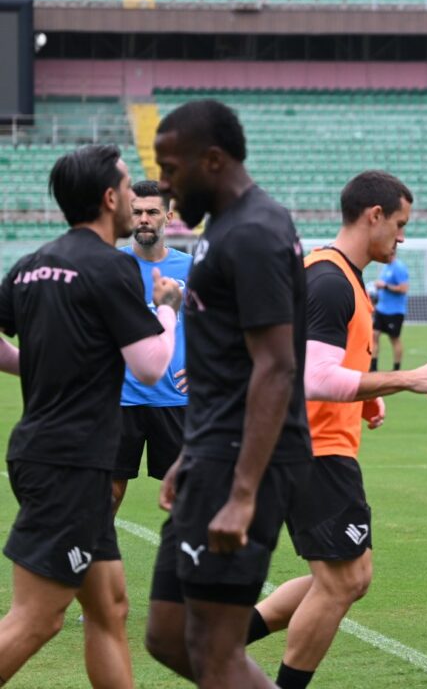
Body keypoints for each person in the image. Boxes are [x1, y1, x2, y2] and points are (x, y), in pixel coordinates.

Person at [243, 171, 427, 689]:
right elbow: (315, 378)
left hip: (312, 443)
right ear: (373, 215)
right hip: (314, 450)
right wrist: (405, 378)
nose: (401, 237)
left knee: (338, 578)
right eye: (399, 224)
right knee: (343, 581)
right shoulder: (330, 280)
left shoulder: (336, 275)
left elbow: (309, 364)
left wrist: (367, 402)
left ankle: (224, 637)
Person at [142, 99, 311, 689]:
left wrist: (241, 493)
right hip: (211, 453)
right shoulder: (225, 229)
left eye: (169, 167)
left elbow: (276, 367)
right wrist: (190, 453)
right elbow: (226, 362)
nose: (163, 184)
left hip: (247, 465)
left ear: (211, 160)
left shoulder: (257, 232)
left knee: (216, 651)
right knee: (165, 634)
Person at [0, 144, 180, 687]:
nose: (135, 200)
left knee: (110, 609)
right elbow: (149, 367)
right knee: (39, 617)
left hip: (58, 455)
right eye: (128, 190)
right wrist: (167, 310)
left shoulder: (31, 265)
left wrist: (37, 364)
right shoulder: (112, 268)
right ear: (109, 198)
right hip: (69, 464)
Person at [113, 179, 192, 515]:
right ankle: (94, 564)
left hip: (176, 398)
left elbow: (220, 329)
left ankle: (189, 565)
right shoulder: (109, 266)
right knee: (108, 494)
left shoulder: (191, 269)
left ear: (168, 217)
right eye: (137, 212)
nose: (144, 218)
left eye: (152, 212)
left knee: (187, 497)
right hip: (119, 399)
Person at [371, 253, 409, 371]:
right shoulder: (386, 266)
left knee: (394, 339)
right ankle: (373, 367)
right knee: (373, 336)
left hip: (394, 311)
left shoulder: (399, 267)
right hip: (381, 309)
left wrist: (385, 286)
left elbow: (404, 288)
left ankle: (396, 368)